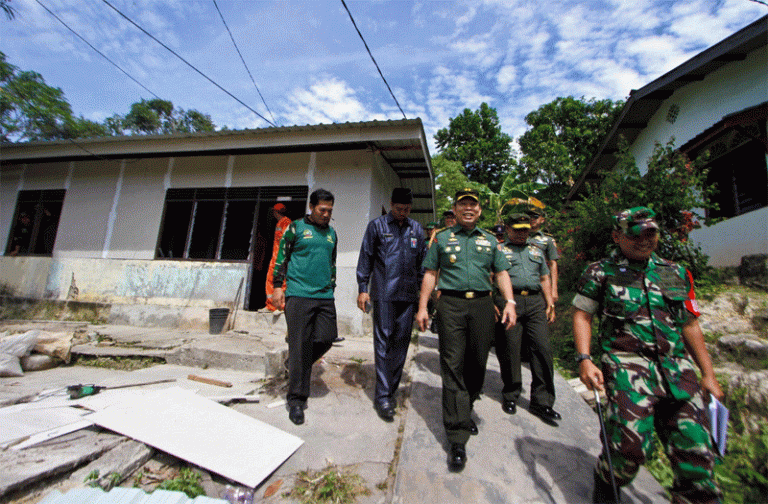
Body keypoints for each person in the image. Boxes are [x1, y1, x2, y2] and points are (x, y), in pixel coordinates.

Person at [572, 206, 723, 504]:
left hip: (678, 372)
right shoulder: (600, 272)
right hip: (627, 367)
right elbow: (582, 316)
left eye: (651, 233)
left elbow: (690, 324)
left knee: (697, 456)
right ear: (617, 237)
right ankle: (606, 484)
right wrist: (585, 359)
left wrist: (708, 374)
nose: (644, 240)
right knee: (629, 448)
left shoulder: (673, 272)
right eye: (636, 234)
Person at [416, 188, 517, 471]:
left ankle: (466, 405)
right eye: (463, 205)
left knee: (477, 364)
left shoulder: (489, 241)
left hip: (483, 307)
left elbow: (501, 273)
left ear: (479, 210)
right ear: (456, 210)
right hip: (450, 306)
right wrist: (423, 307)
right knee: (452, 365)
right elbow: (431, 274)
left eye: (473, 205)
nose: (468, 209)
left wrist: (509, 301)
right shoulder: (442, 239)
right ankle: (457, 436)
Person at [356, 188, 427, 421]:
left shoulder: (416, 228)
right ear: (391, 204)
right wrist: (362, 289)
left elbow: (422, 265)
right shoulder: (377, 226)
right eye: (399, 209)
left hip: (407, 296)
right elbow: (366, 257)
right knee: (383, 343)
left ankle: (390, 391)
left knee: (401, 344)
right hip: (384, 294)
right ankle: (383, 396)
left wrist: (424, 298)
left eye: (407, 210)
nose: (402, 213)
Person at [272, 189, 338, 425]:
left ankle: (295, 363)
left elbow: (332, 263)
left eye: (330, 210)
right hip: (298, 295)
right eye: (323, 210)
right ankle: (297, 401)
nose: (327, 214)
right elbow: (282, 256)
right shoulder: (296, 228)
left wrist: (332, 286)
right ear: (312, 207)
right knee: (300, 344)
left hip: (324, 296)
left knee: (327, 338)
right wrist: (278, 287)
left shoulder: (331, 233)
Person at [493, 214, 558, 422]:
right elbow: (489, 276)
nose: (522, 233)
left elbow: (544, 277)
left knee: (542, 349)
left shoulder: (537, 251)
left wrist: (550, 303)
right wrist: (494, 302)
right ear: (508, 229)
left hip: (535, 303)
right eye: (517, 229)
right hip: (509, 302)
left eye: (525, 229)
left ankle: (542, 402)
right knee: (510, 349)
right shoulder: (499, 250)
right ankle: (511, 394)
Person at [527, 207, 559, 303]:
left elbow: (553, 264)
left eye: (535, 216)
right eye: (529, 216)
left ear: (542, 220)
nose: (532, 219)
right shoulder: (518, 237)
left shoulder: (547, 240)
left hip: (542, 283)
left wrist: (554, 289)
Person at [265, 203, 292, 311]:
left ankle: (279, 307)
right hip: (276, 257)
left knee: (280, 282)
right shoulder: (281, 223)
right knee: (270, 280)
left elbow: (286, 242)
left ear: (275, 212)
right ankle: (271, 306)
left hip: (281, 258)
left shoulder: (286, 223)